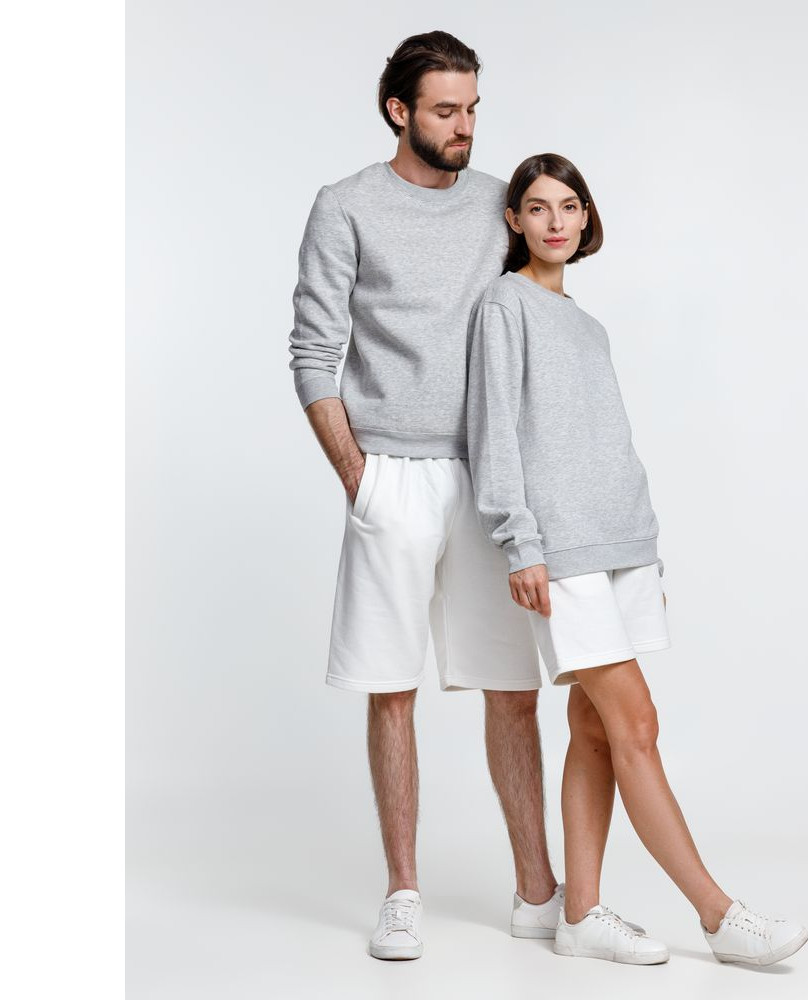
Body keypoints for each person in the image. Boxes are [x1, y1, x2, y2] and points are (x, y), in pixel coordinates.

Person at [466, 153, 808, 967]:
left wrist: (644, 552)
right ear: (514, 220)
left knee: (593, 728)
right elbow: (495, 431)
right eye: (538, 207)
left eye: (569, 205)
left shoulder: (587, 326)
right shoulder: (504, 305)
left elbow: (607, 445)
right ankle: (719, 917)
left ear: (586, 217)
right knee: (638, 725)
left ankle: (579, 915)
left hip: (621, 546)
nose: (555, 221)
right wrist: (521, 542)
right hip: (562, 552)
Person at [288, 33, 564, 961]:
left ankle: (537, 891)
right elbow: (313, 351)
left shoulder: (499, 206)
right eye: (446, 110)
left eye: (473, 108)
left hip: (489, 477)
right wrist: (359, 477)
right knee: (392, 689)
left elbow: (539, 317)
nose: (465, 126)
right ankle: (403, 892)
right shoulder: (345, 206)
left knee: (513, 690)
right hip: (391, 477)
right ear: (398, 110)